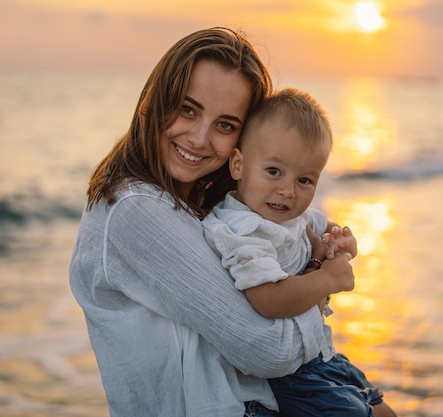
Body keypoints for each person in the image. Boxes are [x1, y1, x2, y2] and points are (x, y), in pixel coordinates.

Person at [69, 27, 363, 417]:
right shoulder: (135, 209)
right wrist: (320, 283)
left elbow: (304, 240)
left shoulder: (200, 201)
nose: (199, 138)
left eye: (225, 125)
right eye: (187, 109)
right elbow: (269, 352)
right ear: (155, 101)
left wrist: (319, 255)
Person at [202, 88, 398, 417]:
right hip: (291, 379)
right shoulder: (242, 230)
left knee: (383, 409)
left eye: (305, 179)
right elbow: (269, 299)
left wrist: (340, 239)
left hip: (322, 356)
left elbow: (325, 225)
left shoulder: (284, 213)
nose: (288, 191)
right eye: (274, 172)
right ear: (238, 164)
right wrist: (327, 279)